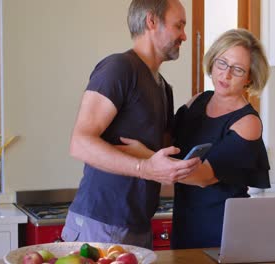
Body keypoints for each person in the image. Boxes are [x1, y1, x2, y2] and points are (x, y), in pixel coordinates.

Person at [61, 0, 200, 249]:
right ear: (151, 21)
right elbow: (79, 143)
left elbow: (161, 157)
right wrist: (144, 167)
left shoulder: (163, 88)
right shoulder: (119, 68)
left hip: (138, 226)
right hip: (100, 223)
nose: (185, 36)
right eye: (179, 26)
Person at [170, 28, 271, 248]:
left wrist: (146, 164)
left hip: (224, 233)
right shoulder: (197, 101)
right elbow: (168, 144)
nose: (225, 75)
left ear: (249, 77)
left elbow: (202, 177)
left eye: (237, 69)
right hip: (185, 225)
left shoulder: (248, 123)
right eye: (222, 63)